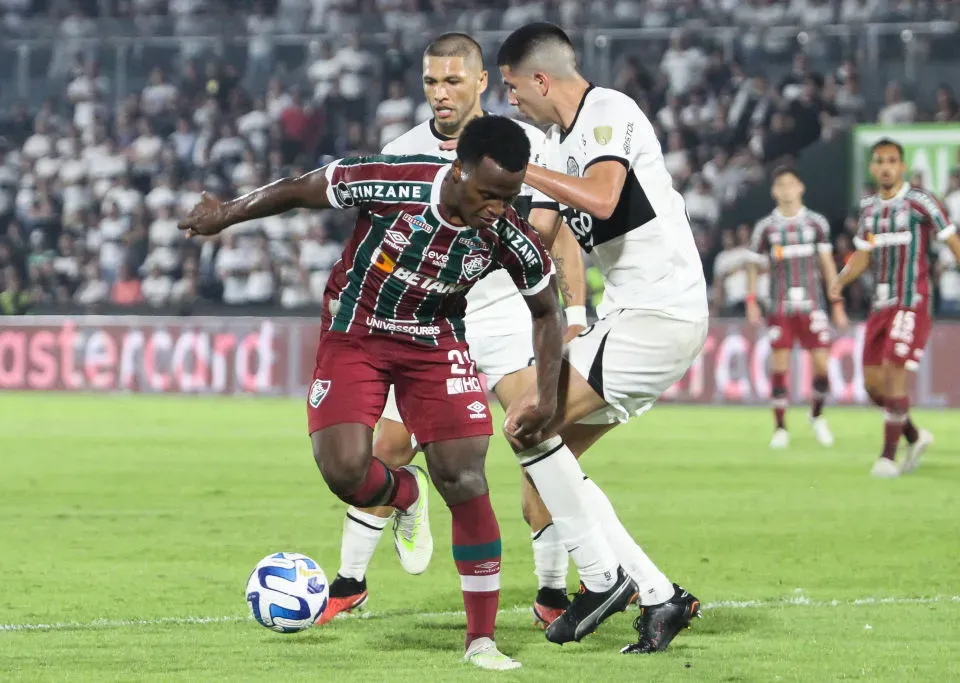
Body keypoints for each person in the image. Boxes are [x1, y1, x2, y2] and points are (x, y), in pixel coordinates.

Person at [180, 115, 563, 671]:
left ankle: (481, 640)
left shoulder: (507, 233)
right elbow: (303, 188)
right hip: (355, 332)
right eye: (487, 194)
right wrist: (224, 215)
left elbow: (546, 309)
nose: (497, 209)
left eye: (508, 197)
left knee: (464, 475)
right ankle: (404, 493)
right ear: (458, 170)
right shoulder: (394, 182)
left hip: (435, 342)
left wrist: (546, 397)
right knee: (343, 470)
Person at [316, 32, 589, 632]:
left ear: (483, 82)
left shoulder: (523, 147)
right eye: (431, 83)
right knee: (385, 449)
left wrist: (574, 317)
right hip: (426, 318)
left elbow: (557, 237)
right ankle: (350, 582)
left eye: (453, 82)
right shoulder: (403, 149)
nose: (441, 94)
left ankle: (551, 589)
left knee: (538, 436)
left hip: (502, 313)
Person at [494, 23, 709, 652]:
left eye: (512, 88)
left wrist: (520, 168)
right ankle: (660, 597)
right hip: (632, 315)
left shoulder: (609, 110)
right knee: (541, 494)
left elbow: (604, 196)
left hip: (658, 313)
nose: (512, 102)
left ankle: (607, 583)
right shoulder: (561, 146)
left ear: (540, 79)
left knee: (526, 420)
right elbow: (538, 235)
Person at [832, 138, 960, 478]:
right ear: (873, 168)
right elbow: (862, 255)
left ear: (901, 167)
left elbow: (951, 238)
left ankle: (888, 457)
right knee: (874, 386)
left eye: (892, 161)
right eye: (880, 161)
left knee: (893, 372)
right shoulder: (870, 210)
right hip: (881, 306)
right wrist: (840, 281)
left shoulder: (921, 203)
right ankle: (915, 437)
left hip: (912, 302)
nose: (886, 167)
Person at [746, 166, 849, 449]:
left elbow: (828, 265)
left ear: (801, 187)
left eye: (792, 184)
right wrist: (752, 300)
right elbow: (753, 266)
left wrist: (837, 303)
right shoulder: (766, 227)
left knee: (822, 366)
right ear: (774, 191)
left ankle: (816, 415)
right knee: (780, 366)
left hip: (813, 305)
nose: (788, 190)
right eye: (782, 185)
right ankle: (780, 427)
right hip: (780, 307)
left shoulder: (816, 223)